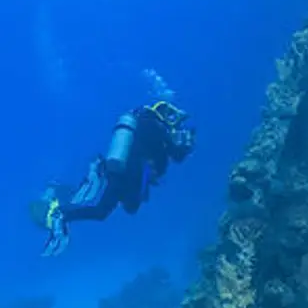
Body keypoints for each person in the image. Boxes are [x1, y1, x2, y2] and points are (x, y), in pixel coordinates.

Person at [38, 99, 194, 256]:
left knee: (102, 212)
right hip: (131, 174)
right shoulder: (156, 127)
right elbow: (173, 157)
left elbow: (163, 158)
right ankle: (66, 208)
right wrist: (185, 144)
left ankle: (65, 209)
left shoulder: (144, 124)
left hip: (119, 172)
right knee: (126, 207)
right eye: (171, 117)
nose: (173, 122)